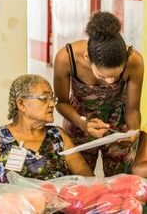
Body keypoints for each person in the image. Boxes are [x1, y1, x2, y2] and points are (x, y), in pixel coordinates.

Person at [53, 11, 144, 176]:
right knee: (79, 185)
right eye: (102, 76)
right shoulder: (66, 58)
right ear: (88, 58)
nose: (110, 81)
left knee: (119, 186)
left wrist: (133, 131)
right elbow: (61, 102)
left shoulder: (134, 61)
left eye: (115, 76)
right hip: (77, 121)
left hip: (118, 128)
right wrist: (82, 123)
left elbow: (133, 109)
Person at [0, 74, 93, 183]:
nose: (51, 104)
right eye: (44, 98)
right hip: (12, 206)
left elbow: (84, 173)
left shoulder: (58, 135)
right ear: (21, 104)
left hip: (56, 206)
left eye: (52, 98)